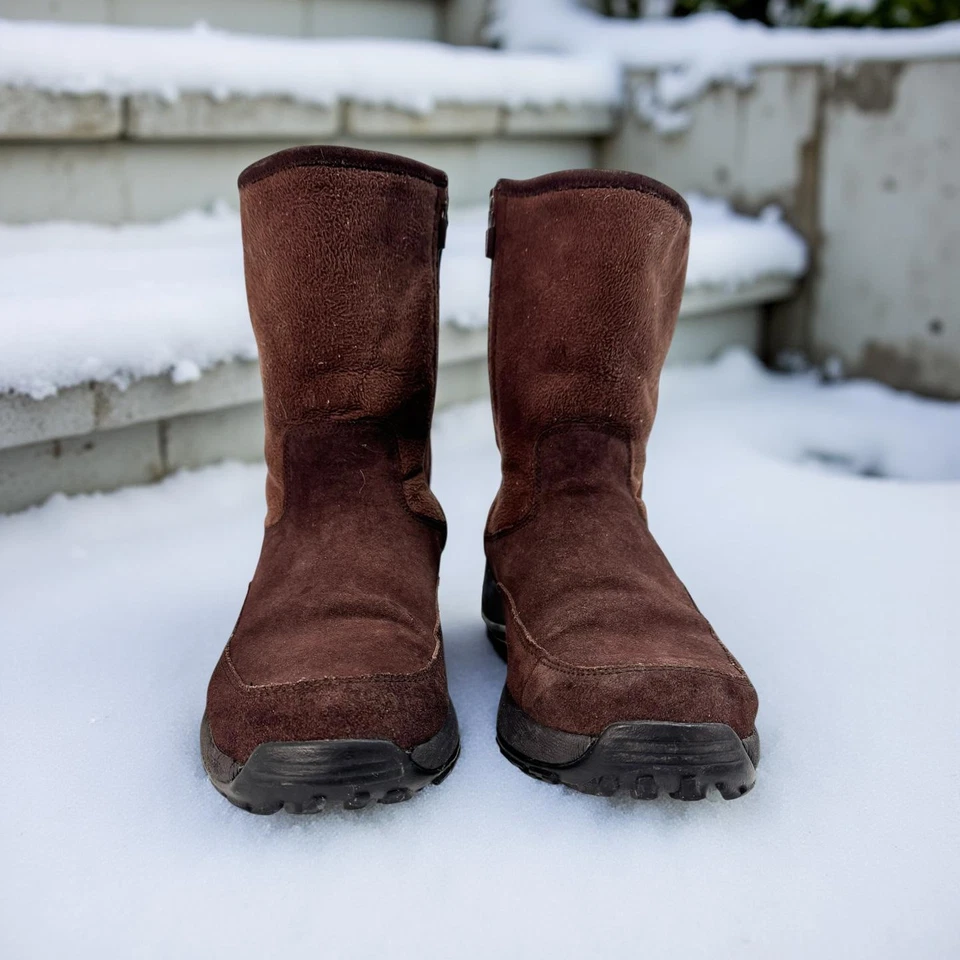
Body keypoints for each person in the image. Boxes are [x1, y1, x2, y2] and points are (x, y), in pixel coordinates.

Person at [200, 145, 759, 814]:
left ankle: (550, 527)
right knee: (341, 461)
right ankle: (374, 545)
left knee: (587, 464)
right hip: (318, 516)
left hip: (586, 516)